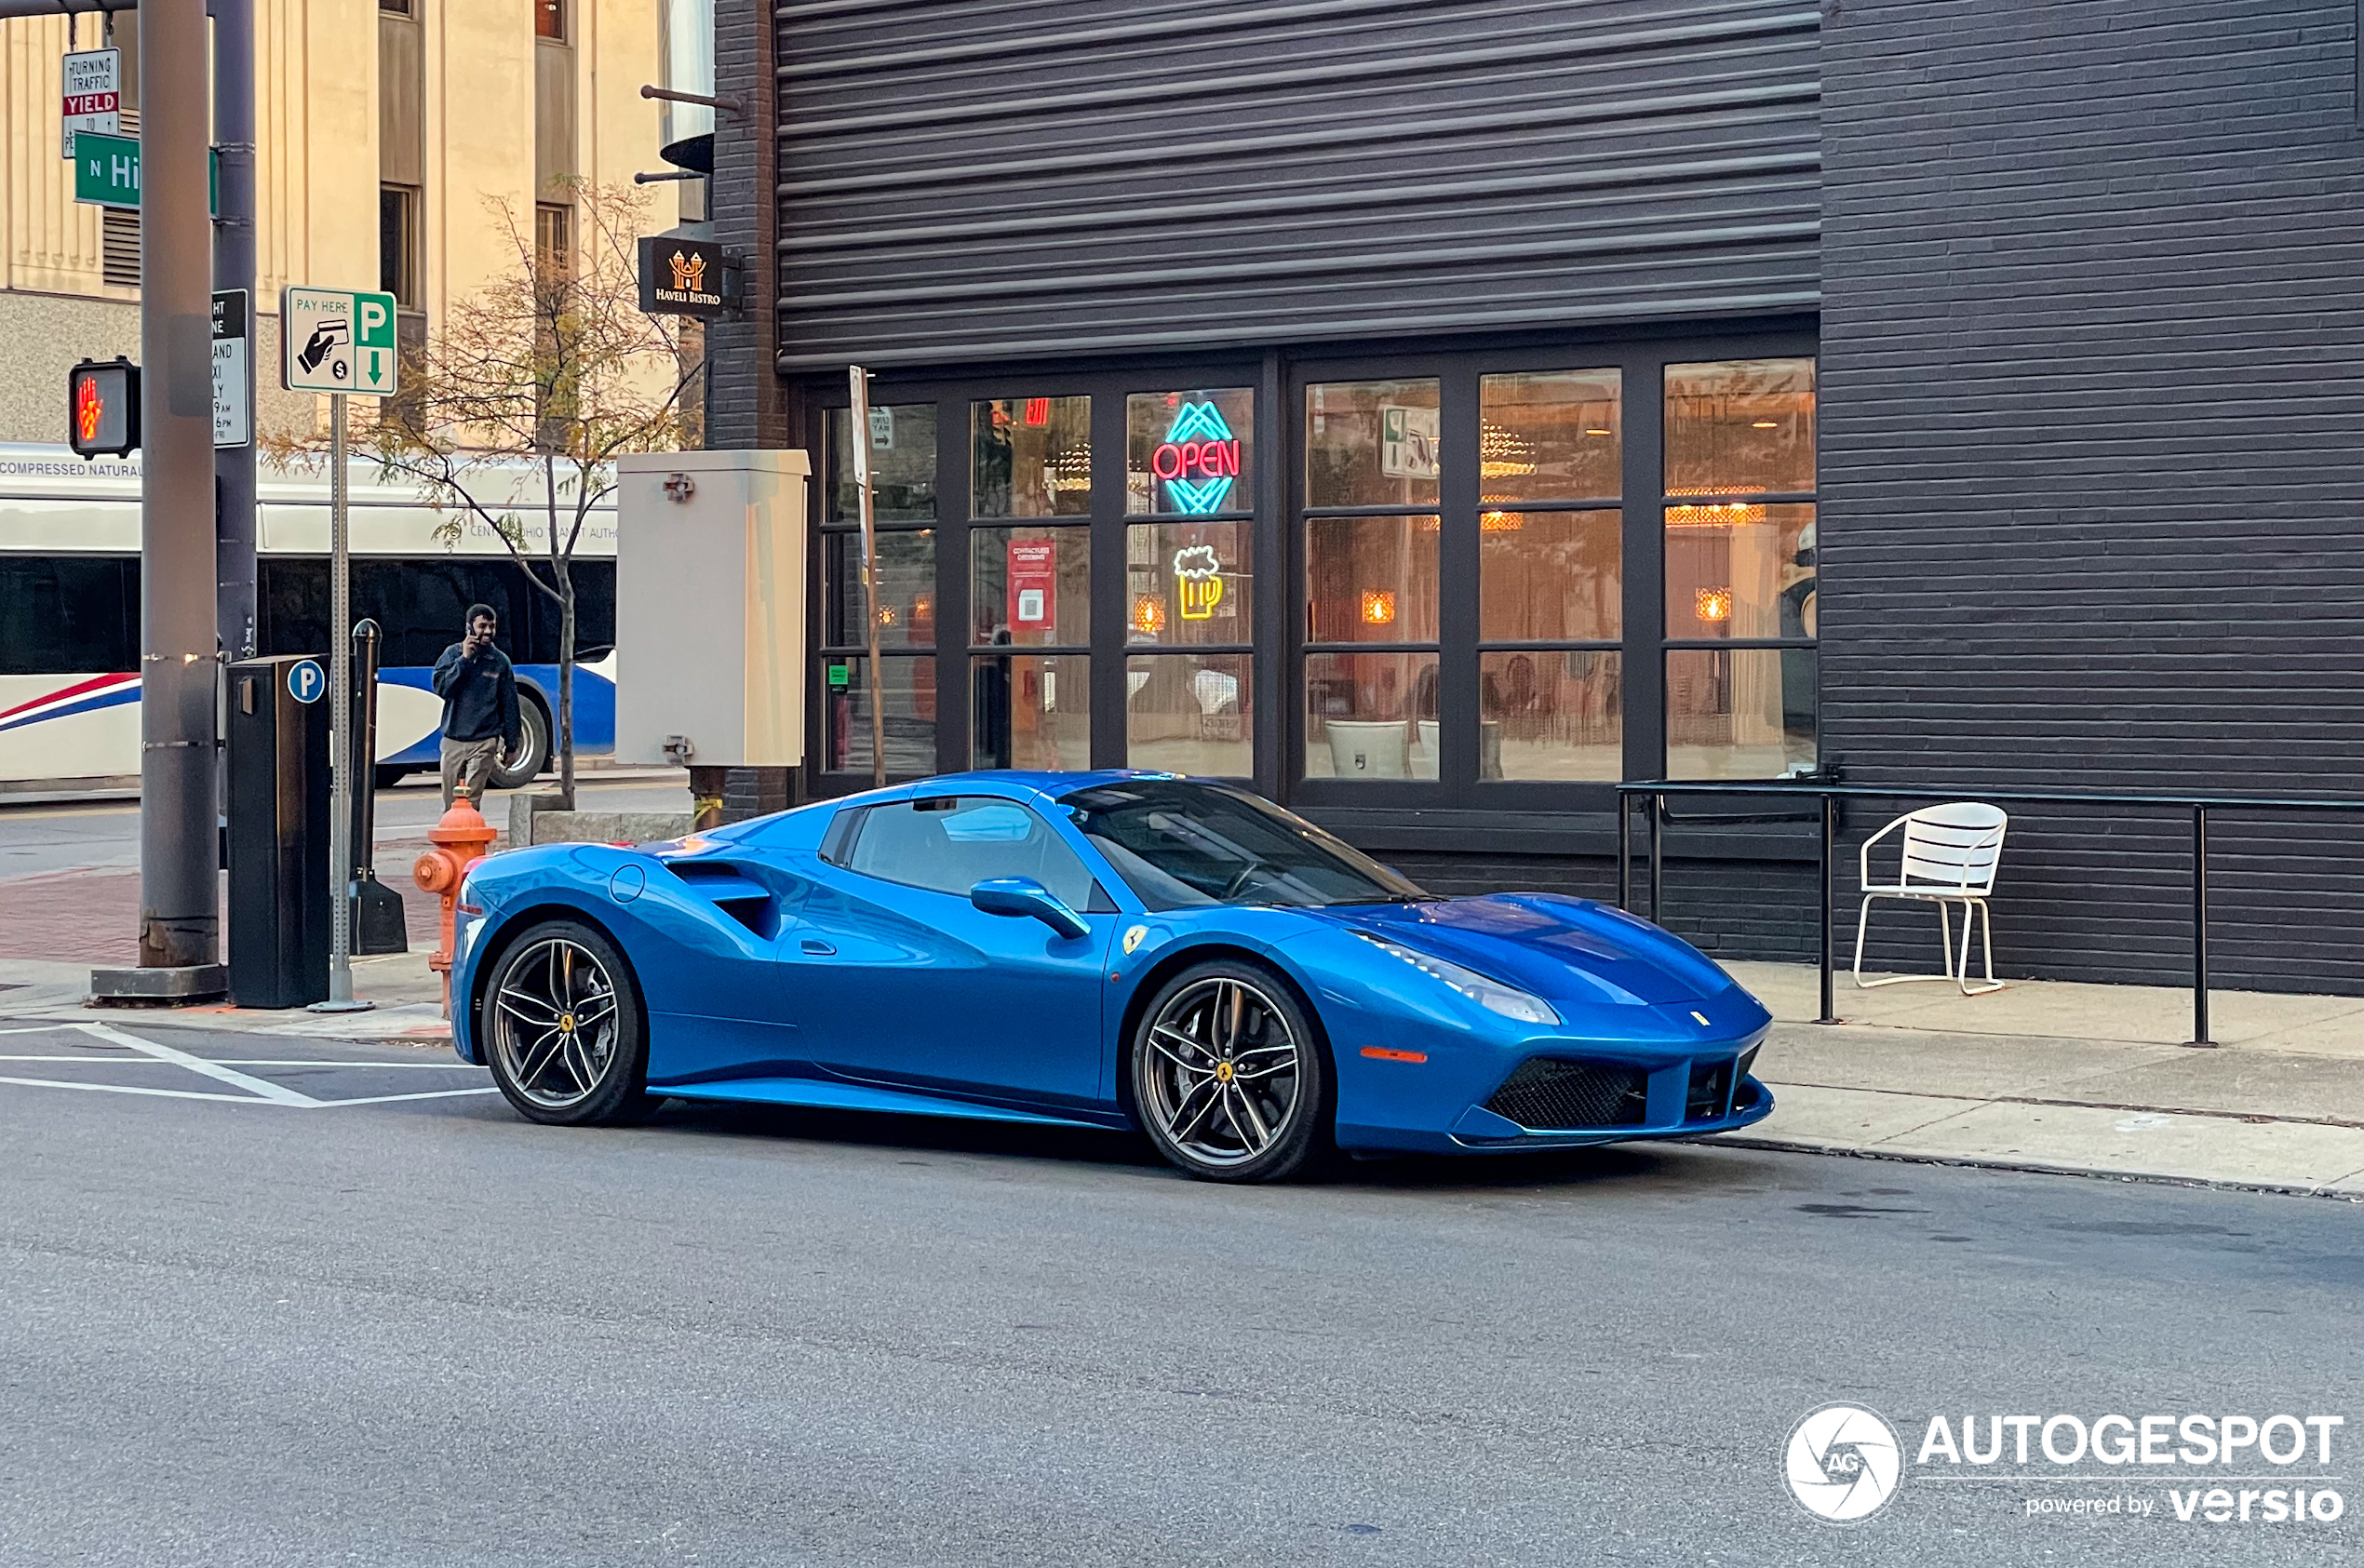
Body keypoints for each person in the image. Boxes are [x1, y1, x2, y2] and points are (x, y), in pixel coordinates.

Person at [432, 603, 519, 809]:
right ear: (469, 627)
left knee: (469, 802)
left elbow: (510, 705)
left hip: (484, 740)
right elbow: (443, 689)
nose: (488, 631)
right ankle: (453, 839)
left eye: (492, 626)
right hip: (453, 739)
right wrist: (464, 660)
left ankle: (470, 839)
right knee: (450, 805)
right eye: (482, 626)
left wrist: (511, 745)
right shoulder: (452, 655)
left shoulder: (500, 662)